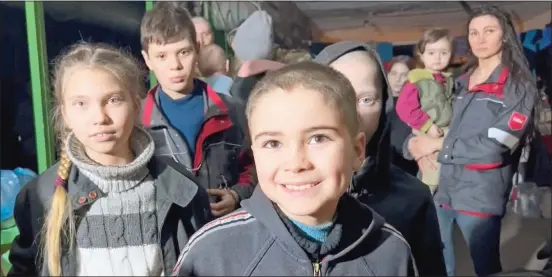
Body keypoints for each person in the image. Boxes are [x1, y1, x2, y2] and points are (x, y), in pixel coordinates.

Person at [173, 61, 418, 276]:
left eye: (318, 138)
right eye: (273, 143)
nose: (297, 163)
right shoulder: (211, 254)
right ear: (254, 154)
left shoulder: (391, 250)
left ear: (356, 151)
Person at [7, 42, 211, 276]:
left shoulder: (182, 190)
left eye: (113, 100)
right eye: (81, 104)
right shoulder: (41, 197)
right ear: (65, 113)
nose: (100, 117)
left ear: (136, 105)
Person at [404, 5, 537, 276]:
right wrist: (413, 143)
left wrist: (438, 146)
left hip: (479, 196)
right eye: (474, 32)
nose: (480, 39)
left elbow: (496, 147)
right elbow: (435, 118)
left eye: (489, 31)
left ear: (505, 36)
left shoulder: (517, 87)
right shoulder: (460, 81)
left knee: (485, 267)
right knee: (439, 264)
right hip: (443, 188)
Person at [314, 41, 446, 277]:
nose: (351, 113)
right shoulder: (283, 190)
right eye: (335, 95)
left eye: (366, 100)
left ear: (384, 105)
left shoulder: (413, 198)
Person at [139, 3, 254, 218]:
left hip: (222, 233)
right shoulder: (137, 122)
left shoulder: (231, 111)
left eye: (183, 52)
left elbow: (253, 166)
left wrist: (237, 194)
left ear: (197, 49)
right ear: (148, 60)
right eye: (162, 56)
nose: (175, 65)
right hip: (167, 241)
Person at [396, 28, 455, 193]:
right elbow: (404, 109)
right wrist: (427, 126)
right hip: (427, 133)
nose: (437, 57)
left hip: (445, 132)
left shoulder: (448, 80)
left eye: (443, 52)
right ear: (421, 55)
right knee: (432, 178)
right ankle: (425, 206)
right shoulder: (417, 80)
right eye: (431, 52)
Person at [386, 55, 419, 176]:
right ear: (388, 74)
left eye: (404, 74)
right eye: (394, 73)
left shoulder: (416, 104)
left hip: (408, 168)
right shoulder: (379, 102)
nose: (398, 79)